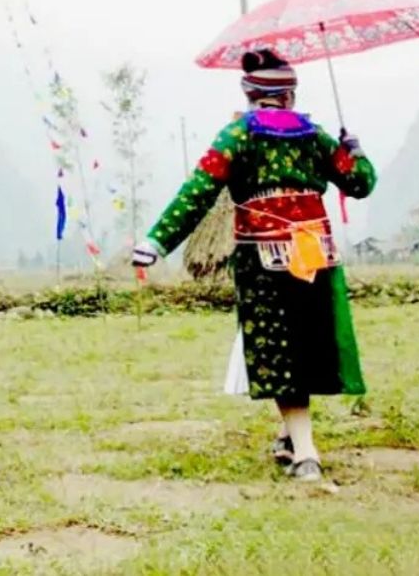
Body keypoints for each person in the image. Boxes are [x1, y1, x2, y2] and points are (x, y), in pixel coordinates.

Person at [132, 50, 376, 482]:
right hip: (315, 253)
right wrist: (354, 150)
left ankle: (305, 453)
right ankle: (290, 436)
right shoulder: (316, 136)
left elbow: (198, 191)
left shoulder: (237, 136)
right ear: (289, 94)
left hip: (265, 259)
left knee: (281, 351)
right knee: (308, 343)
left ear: (249, 94)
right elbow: (360, 183)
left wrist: (157, 240)